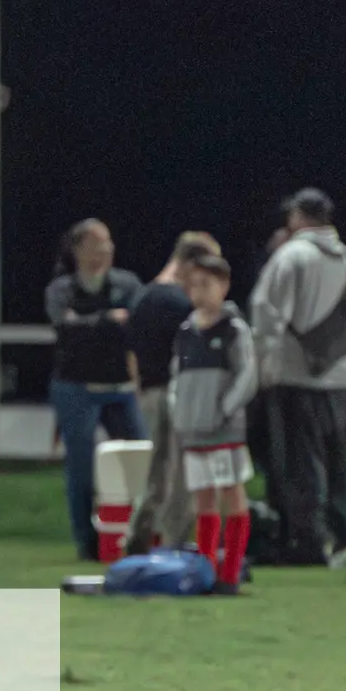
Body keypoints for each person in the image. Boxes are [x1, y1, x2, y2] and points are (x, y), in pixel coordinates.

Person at [249, 189, 346, 567]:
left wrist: (261, 367)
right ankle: (344, 536)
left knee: (300, 463)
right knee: (338, 462)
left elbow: (266, 314)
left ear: (298, 216)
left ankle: (306, 541)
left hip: (294, 377)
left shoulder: (292, 255)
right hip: (338, 377)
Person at [45, 220, 146, 559]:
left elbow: (136, 327)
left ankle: (139, 534)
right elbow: (66, 329)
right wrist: (107, 321)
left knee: (139, 459)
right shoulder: (61, 289)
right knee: (81, 468)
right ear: (77, 251)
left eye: (107, 244)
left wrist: (87, 323)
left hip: (121, 385)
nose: (103, 252)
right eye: (95, 245)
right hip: (76, 387)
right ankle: (86, 542)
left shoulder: (127, 284)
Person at [123, 231, 221, 552]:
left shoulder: (142, 298)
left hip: (150, 392)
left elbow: (131, 354)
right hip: (180, 393)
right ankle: (173, 542)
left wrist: (139, 389)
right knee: (182, 475)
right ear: (191, 264)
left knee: (157, 471)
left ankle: (138, 534)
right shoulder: (183, 305)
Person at [169, 253, 258, 595]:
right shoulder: (186, 331)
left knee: (232, 495)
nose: (199, 292)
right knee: (203, 500)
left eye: (206, 284)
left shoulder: (234, 329)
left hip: (224, 431)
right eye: (193, 286)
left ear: (224, 285)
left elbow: (247, 375)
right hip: (193, 431)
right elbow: (176, 377)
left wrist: (224, 409)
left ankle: (230, 574)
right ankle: (205, 573)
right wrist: (179, 411)